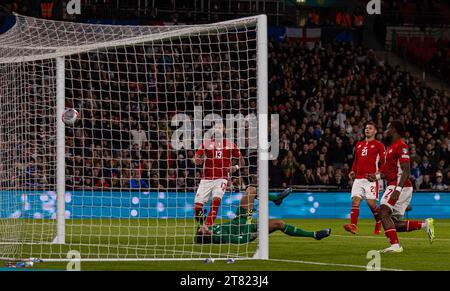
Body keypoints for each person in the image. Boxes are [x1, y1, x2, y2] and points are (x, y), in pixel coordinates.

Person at [367, 121, 435, 253]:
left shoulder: (401, 146)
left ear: (393, 130)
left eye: (387, 129)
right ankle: (425, 224)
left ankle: (395, 246)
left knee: (383, 211)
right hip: (393, 184)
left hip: (400, 185)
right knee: (392, 223)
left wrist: (398, 190)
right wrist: (375, 177)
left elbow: (406, 170)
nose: (385, 132)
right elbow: (388, 172)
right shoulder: (390, 148)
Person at [195, 186, 331, 244]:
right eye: (202, 230)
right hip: (246, 227)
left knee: (251, 190)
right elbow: (240, 240)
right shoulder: (218, 237)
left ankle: (276, 198)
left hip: (240, 218)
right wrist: (252, 234)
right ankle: (314, 235)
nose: (203, 227)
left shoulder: (210, 229)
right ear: (205, 235)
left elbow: (197, 237)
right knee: (279, 223)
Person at [192, 123, 245, 227]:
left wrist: (235, 167)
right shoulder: (206, 143)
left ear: (224, 130)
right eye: (216, 127)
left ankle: (207, 227)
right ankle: (202, 221)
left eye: (220, 127)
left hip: (222, 178)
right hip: (206, 179)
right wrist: (196, 160)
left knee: (215, 202)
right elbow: (196, 157)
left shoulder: (230, 144)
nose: (218, 129)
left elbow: (242, 161)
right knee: (197, 208)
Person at [344, 122, 385, 235]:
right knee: (355, 201)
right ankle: (353, 226)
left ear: (375, 131)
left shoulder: (379, 145)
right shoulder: (359, 144)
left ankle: (378, 221)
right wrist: (353, 171)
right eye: (366, 128)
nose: (367, 130)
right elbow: (356, 160)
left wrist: (379, 173)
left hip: (371, 179)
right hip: (358, 178)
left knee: (371, 203)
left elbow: (384, 162)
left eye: (370, 128)